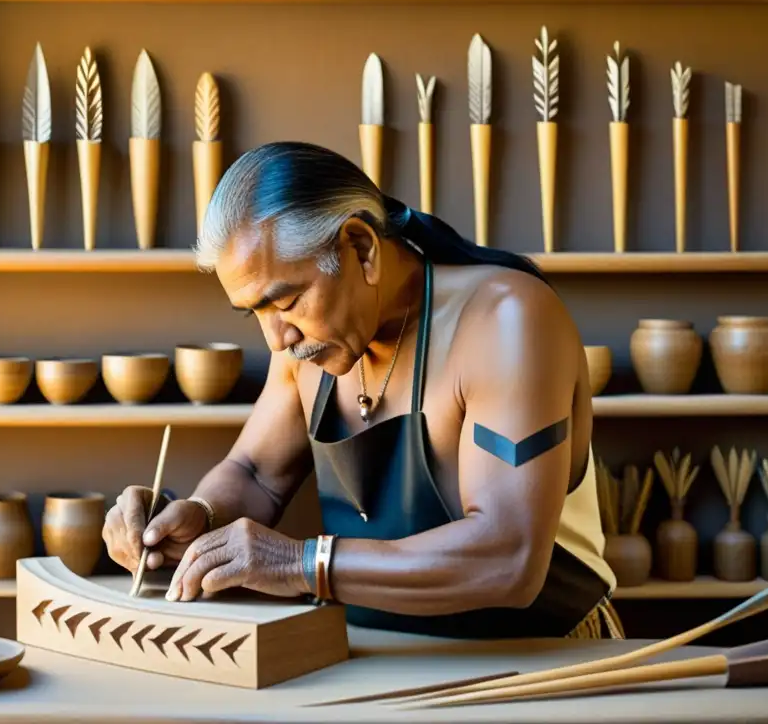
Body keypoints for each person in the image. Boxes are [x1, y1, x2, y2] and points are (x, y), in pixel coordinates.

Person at [102, 141, 623, 640]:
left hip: (540, 662)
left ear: (361, 248)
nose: (276, 338)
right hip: (374, 661)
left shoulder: (506, 321)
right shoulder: (303, 349)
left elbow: (507, 558)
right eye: (254, 313)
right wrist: (197, 520)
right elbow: (255, 474)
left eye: (284, 303)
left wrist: (301, 563)